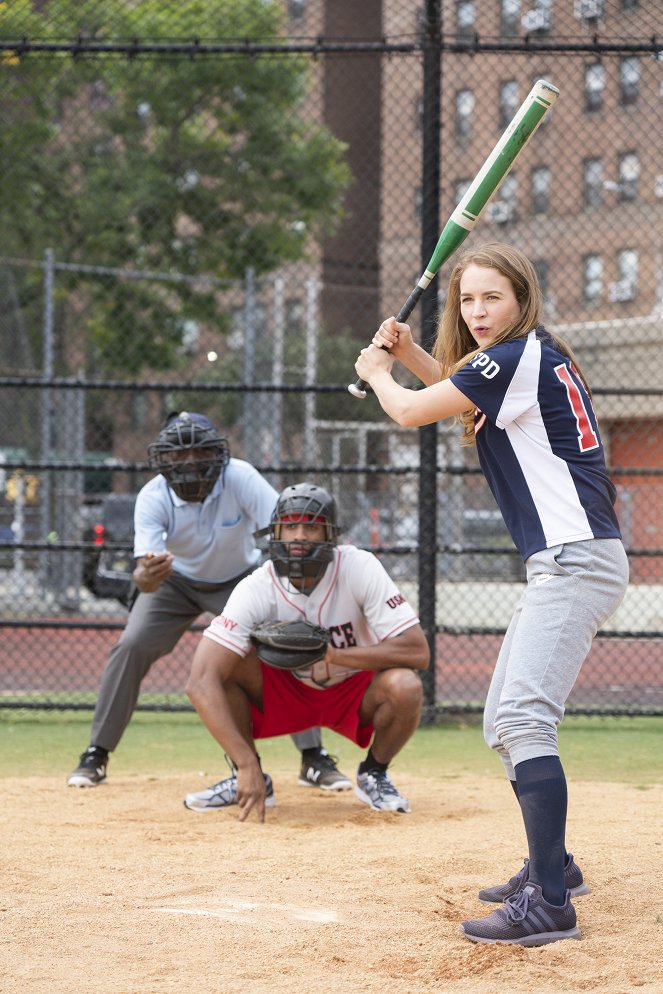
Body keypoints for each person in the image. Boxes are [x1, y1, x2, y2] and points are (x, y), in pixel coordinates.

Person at [355, 242, 628, 946]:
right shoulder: (524, 358)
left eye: (491, 298)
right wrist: (413, 353)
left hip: (572, 561)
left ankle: (549, 904)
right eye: (466, 300)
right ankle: (552, 868)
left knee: (524, 720)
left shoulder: (510, 358)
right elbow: (454, 392)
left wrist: (378, 373)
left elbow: (414, 411)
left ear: (520, 299)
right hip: (568, 561)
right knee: (501, 723)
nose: (477, 311)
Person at [67, 413, 345, 790]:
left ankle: (313, 757)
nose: (190, 463)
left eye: (199, 452)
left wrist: (286, 581)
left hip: (239, 580)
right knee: (131, 646)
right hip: (174, 582)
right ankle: (96, 753)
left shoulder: (240, 476)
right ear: (163, 460)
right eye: (179, 456)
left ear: (218, 453)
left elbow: (281, 529)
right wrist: (146, 575)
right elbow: (143, 578)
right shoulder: (153, 495)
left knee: (285, 641)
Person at [182, 481, 430, 820]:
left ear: (330, 535)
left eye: (311, 527)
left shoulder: (359, 566)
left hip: (354, 690)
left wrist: (335, 655)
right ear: (276, 533)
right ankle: (249, 775)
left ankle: (374, 773)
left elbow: (417, 652)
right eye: (291, 526)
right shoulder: (258, 586)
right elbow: (199, 681)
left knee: (406, 685)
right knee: (226, 666)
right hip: (283, 693)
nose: (299, 535)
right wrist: (245, 762)